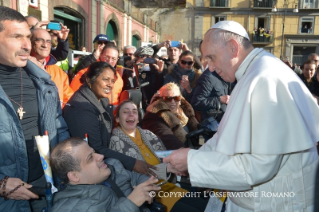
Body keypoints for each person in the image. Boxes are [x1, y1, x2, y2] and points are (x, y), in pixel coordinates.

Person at [163, 20, 319, 211]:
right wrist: (192, 158)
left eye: (211, 58)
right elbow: (228, 136)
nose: (209, 68)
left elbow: (258, 166)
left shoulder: (264, 78)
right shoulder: (254, 72)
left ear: (233, 47)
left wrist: (192, 162)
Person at [0, 6, 70, 211]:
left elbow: (59, 129)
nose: (26, 45)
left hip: (46, 189)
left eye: (28, 37)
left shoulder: (43, 82)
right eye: (16, 37)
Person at [110, 100, 207, 212]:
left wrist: (176, 164)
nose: (131, 115)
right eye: (126, 112)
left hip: (169, 185)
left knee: (205, 206)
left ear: (138, 117)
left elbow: (164, 156)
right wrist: (166, 168)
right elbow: (133, 178)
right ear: (117, 119)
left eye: (134, 112)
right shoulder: (116, 142)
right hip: (153, 195)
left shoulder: (148, 134)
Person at [64, 62, 158, 177]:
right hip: (89, 171)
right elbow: (95, 149)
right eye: (106, 79)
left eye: (112, 81)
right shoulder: (81, 108)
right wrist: (132, 163)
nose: (110, 85)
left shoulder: (100, 100)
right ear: (89, 80)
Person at [50, 137, 161, 212]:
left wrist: (147, 192)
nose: (100, 156)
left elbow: (137, 178)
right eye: (90, 158)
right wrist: (130, 203)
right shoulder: (70, 207)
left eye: (94, 152)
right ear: (74, 176)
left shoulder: (112, 166)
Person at [143, 83, 198, 150]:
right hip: (170, 154)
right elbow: (167, 138)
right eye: (168, 98)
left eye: (176, 98)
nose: (173, 102)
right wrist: (184, 151)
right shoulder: (155, 115)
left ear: (180, 100)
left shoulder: (184, 111)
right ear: (161, 100)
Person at [30, 28, 74, 108]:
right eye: (39, 40)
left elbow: (69, 99)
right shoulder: (20, 68)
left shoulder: (59, 72)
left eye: (48, 41)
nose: (45, 45)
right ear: (30, 42)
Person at [191, 42, 233, 122]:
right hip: (212, 126)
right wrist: (219, 100)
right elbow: (196, 102)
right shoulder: (208, 77)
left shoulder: (228, 74)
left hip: (226, 122)